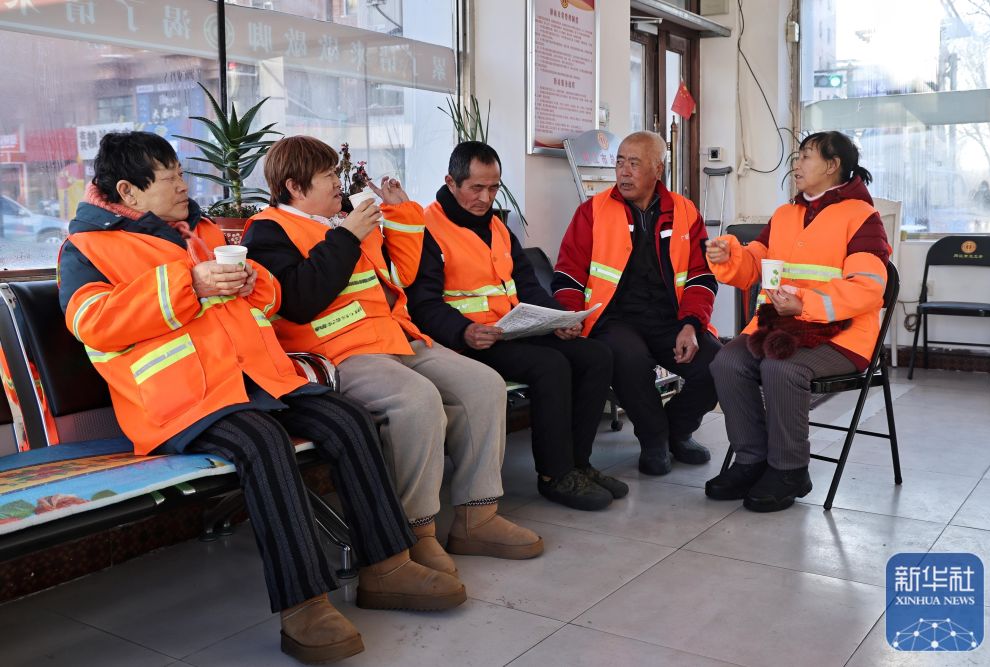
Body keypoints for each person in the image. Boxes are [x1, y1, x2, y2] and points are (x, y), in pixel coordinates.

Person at [58, 132, 465, 665]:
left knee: (346, 418)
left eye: (182, 173)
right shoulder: (86, 249)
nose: (184, 185)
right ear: (128, 193)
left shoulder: (199, 232)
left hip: (256, 379)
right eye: (171, 178)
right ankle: (305, 605)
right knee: (266, 444)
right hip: (183, 400)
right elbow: (92, 322)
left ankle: (386, 565)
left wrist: (253, 280)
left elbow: (271, 301)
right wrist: (191, 285)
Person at [243, 136, 543, 576]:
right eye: (327, 176)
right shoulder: (267, 230)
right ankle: (414, 531)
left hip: (396, 337)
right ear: (293, 187)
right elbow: (300, 300)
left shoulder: (342, 221)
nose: (337, 184)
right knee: (417, 401)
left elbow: (399, 275)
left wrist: (402, 216)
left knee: (484, 385)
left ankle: (476, 516)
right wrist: (346, 237)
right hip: (338, 354)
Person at [405, 141, 628, 512]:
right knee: (550, 366)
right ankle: (554, 474)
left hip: (512, 330)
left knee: (595, 354)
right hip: (467, 342)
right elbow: (423, 304)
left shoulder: (497, 226)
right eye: (476, 188)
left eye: (493, 188)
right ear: (451, 182)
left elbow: (526, 285)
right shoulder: (426, 229)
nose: (486, 197)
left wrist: (558, 318)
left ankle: (579, 463)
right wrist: (464, 332)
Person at [705, 130, 890, 513]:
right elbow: (754, 265)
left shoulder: (862, 217)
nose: (797, 163)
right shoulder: (785, 214)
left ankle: (790, 469)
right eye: (798, 155)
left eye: (807, 156)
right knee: (727, 361)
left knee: (781, 368)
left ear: (833, 165)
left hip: (844, 336)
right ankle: (750, 459)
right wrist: (728, 255)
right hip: (776, 326)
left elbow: (868, 288)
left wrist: (803, 303)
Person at [552, 131, 721, 476]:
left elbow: (701, 275)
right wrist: (570, 315)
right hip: (613, 319)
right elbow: (568, 273)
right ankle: (654, 438)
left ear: (658, 169)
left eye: (634, 163)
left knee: (719, 364)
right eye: (619, 162)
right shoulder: (593, 211)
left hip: (671, 318)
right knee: (628, 359)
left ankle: (677, 430)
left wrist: (691, 324)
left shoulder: (685, 211)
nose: (624, 172)